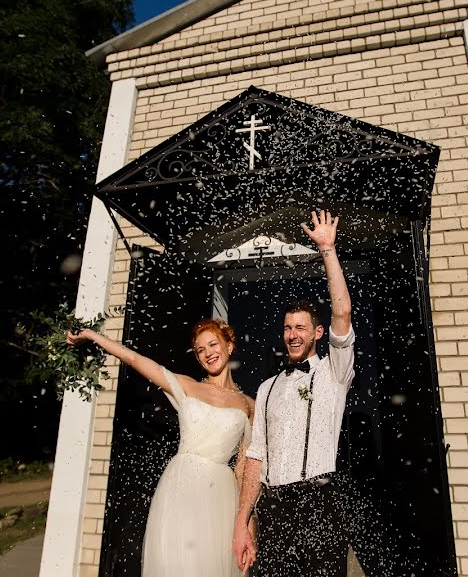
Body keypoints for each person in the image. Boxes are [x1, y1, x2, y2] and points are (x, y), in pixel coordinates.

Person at [67, 319, 255, 577]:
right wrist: (92, 336)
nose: (208, 353)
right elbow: (134, 358)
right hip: (180, 487)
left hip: (221, 498)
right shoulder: (188, 386)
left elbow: (246, 473)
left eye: (213, 344)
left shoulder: (249, 406)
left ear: (229, 346)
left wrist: (245, 526)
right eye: (201, 350)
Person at [232, 209, 355, 576]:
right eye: (288, 328)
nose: (293, 335)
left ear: (317, 333)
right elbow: (256, 457)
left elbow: (343, 312)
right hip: (274, 508)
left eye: (301, 327)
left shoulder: (334, 373)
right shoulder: (267, 388)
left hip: (321, 502)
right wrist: (243, 521)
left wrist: (327, 252)